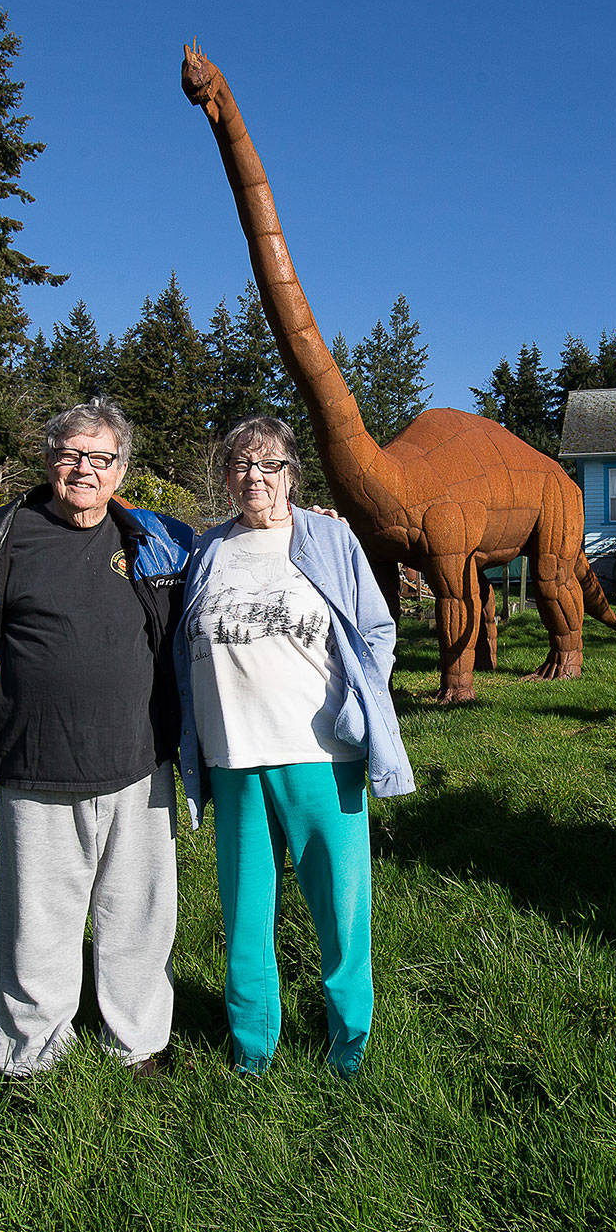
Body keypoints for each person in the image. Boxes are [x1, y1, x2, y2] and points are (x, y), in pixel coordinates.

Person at [0, 399, 194, 1078]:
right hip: (36, 763)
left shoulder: (158, 539)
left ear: (121, 468)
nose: (84, 469)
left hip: (140, 764)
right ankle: (33, 1058)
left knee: (140, 916)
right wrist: (8, 696)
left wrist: (303, 526)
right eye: (70, 454)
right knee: (39, 925)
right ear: (48, 460)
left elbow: (239, 558)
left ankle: (138, 1044)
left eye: (100, 458)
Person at [175, 416, 414, 1077]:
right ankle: (253, 1050)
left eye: (269, 464)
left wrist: (358, 703)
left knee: (340, 912)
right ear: (225, 478)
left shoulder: (328, 536)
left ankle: (350, 1048)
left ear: (291, 475)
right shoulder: (206, 550)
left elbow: (376, 628)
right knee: (246, 919)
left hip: (321, 755)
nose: (255, 477)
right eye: (241, 465)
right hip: (233, 761)